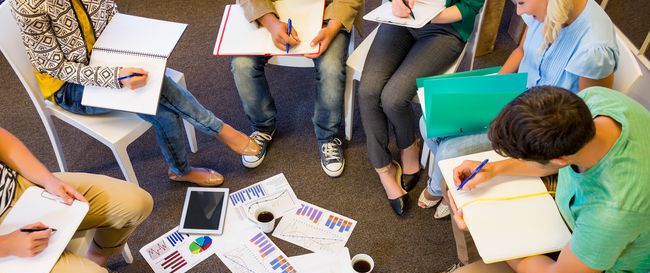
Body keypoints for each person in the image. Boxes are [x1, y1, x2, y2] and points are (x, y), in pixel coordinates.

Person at [421, 86, 650, 273]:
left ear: (560, 159)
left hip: (591, 261)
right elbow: (549, 163)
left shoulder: (613, 211)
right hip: (573, 201)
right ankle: (470, 268)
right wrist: (494, 169)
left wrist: (491, 236)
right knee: (460, 191)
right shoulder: (592, 102)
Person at [10, 0, 260, 187]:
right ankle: (217, 131)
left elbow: (111, 16)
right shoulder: (29, 4)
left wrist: (139, 50)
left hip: (110, 54)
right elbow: (54, 66)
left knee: (157, 97)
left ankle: (181, 169)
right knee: (159, 100)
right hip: (71, 86)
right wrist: (115, 76)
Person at [419, 0, 618, 218]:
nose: (518, 11)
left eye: (521, 2)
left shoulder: (593, 50)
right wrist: (488, 89)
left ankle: (439, 187)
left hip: (539, 127)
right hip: (514, 97)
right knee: (427, 121)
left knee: (450, 150)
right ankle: (446, 182)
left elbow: (585, 123)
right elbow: (522, 50)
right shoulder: (545, 10)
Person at [0, 127, 153, 273]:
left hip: (22, 186)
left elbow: (4, 143)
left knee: (136, 203)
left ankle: (97, 261)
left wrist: (48, 180)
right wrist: (8, 245)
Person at [358, 0, 484, 215]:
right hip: (400, 20)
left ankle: (408, 147)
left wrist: (431, 15)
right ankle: (384, 169)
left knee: (393, 98)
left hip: (445, 28)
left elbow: (470, 6)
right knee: (368, 91)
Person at [230, 0, 362, 177]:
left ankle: (328, 136)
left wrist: (332, 29)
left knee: (331, 68)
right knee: (241, 64)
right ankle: (262, 127)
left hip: (328, 13)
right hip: (271, 10)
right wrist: (272, 23)